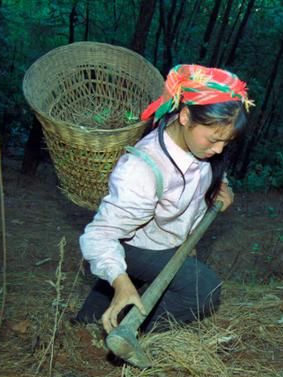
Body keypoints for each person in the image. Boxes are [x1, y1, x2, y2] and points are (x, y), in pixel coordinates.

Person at [74, 65, 253, 333]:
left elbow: (213, 172)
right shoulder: (141, 169)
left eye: (226, 144)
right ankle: (135, 332)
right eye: (215, 140)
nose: (218, 150)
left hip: (163, 239)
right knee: (203, 288)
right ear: (184, 116)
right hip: (132, 243)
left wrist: (223, 188)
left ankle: (87, 321)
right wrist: (121, 282)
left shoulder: (200, 145)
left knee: (87, 323)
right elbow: (99, 236)